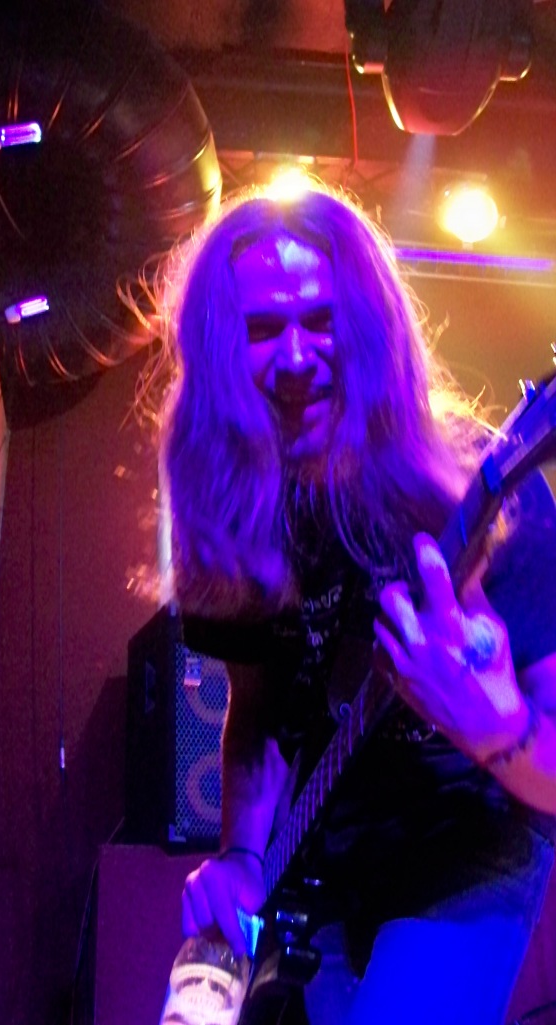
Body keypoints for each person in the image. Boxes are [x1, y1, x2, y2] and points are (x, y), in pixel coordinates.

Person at [154, 185, 556, 1023]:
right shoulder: (234, 514)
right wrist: (240, 854)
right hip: (324, 872)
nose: (296, 356)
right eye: (263, 328)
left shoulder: (485, 497)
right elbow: (255, 715)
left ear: (370, 332)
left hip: (467, 846)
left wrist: (496, 725)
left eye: (322, 319)